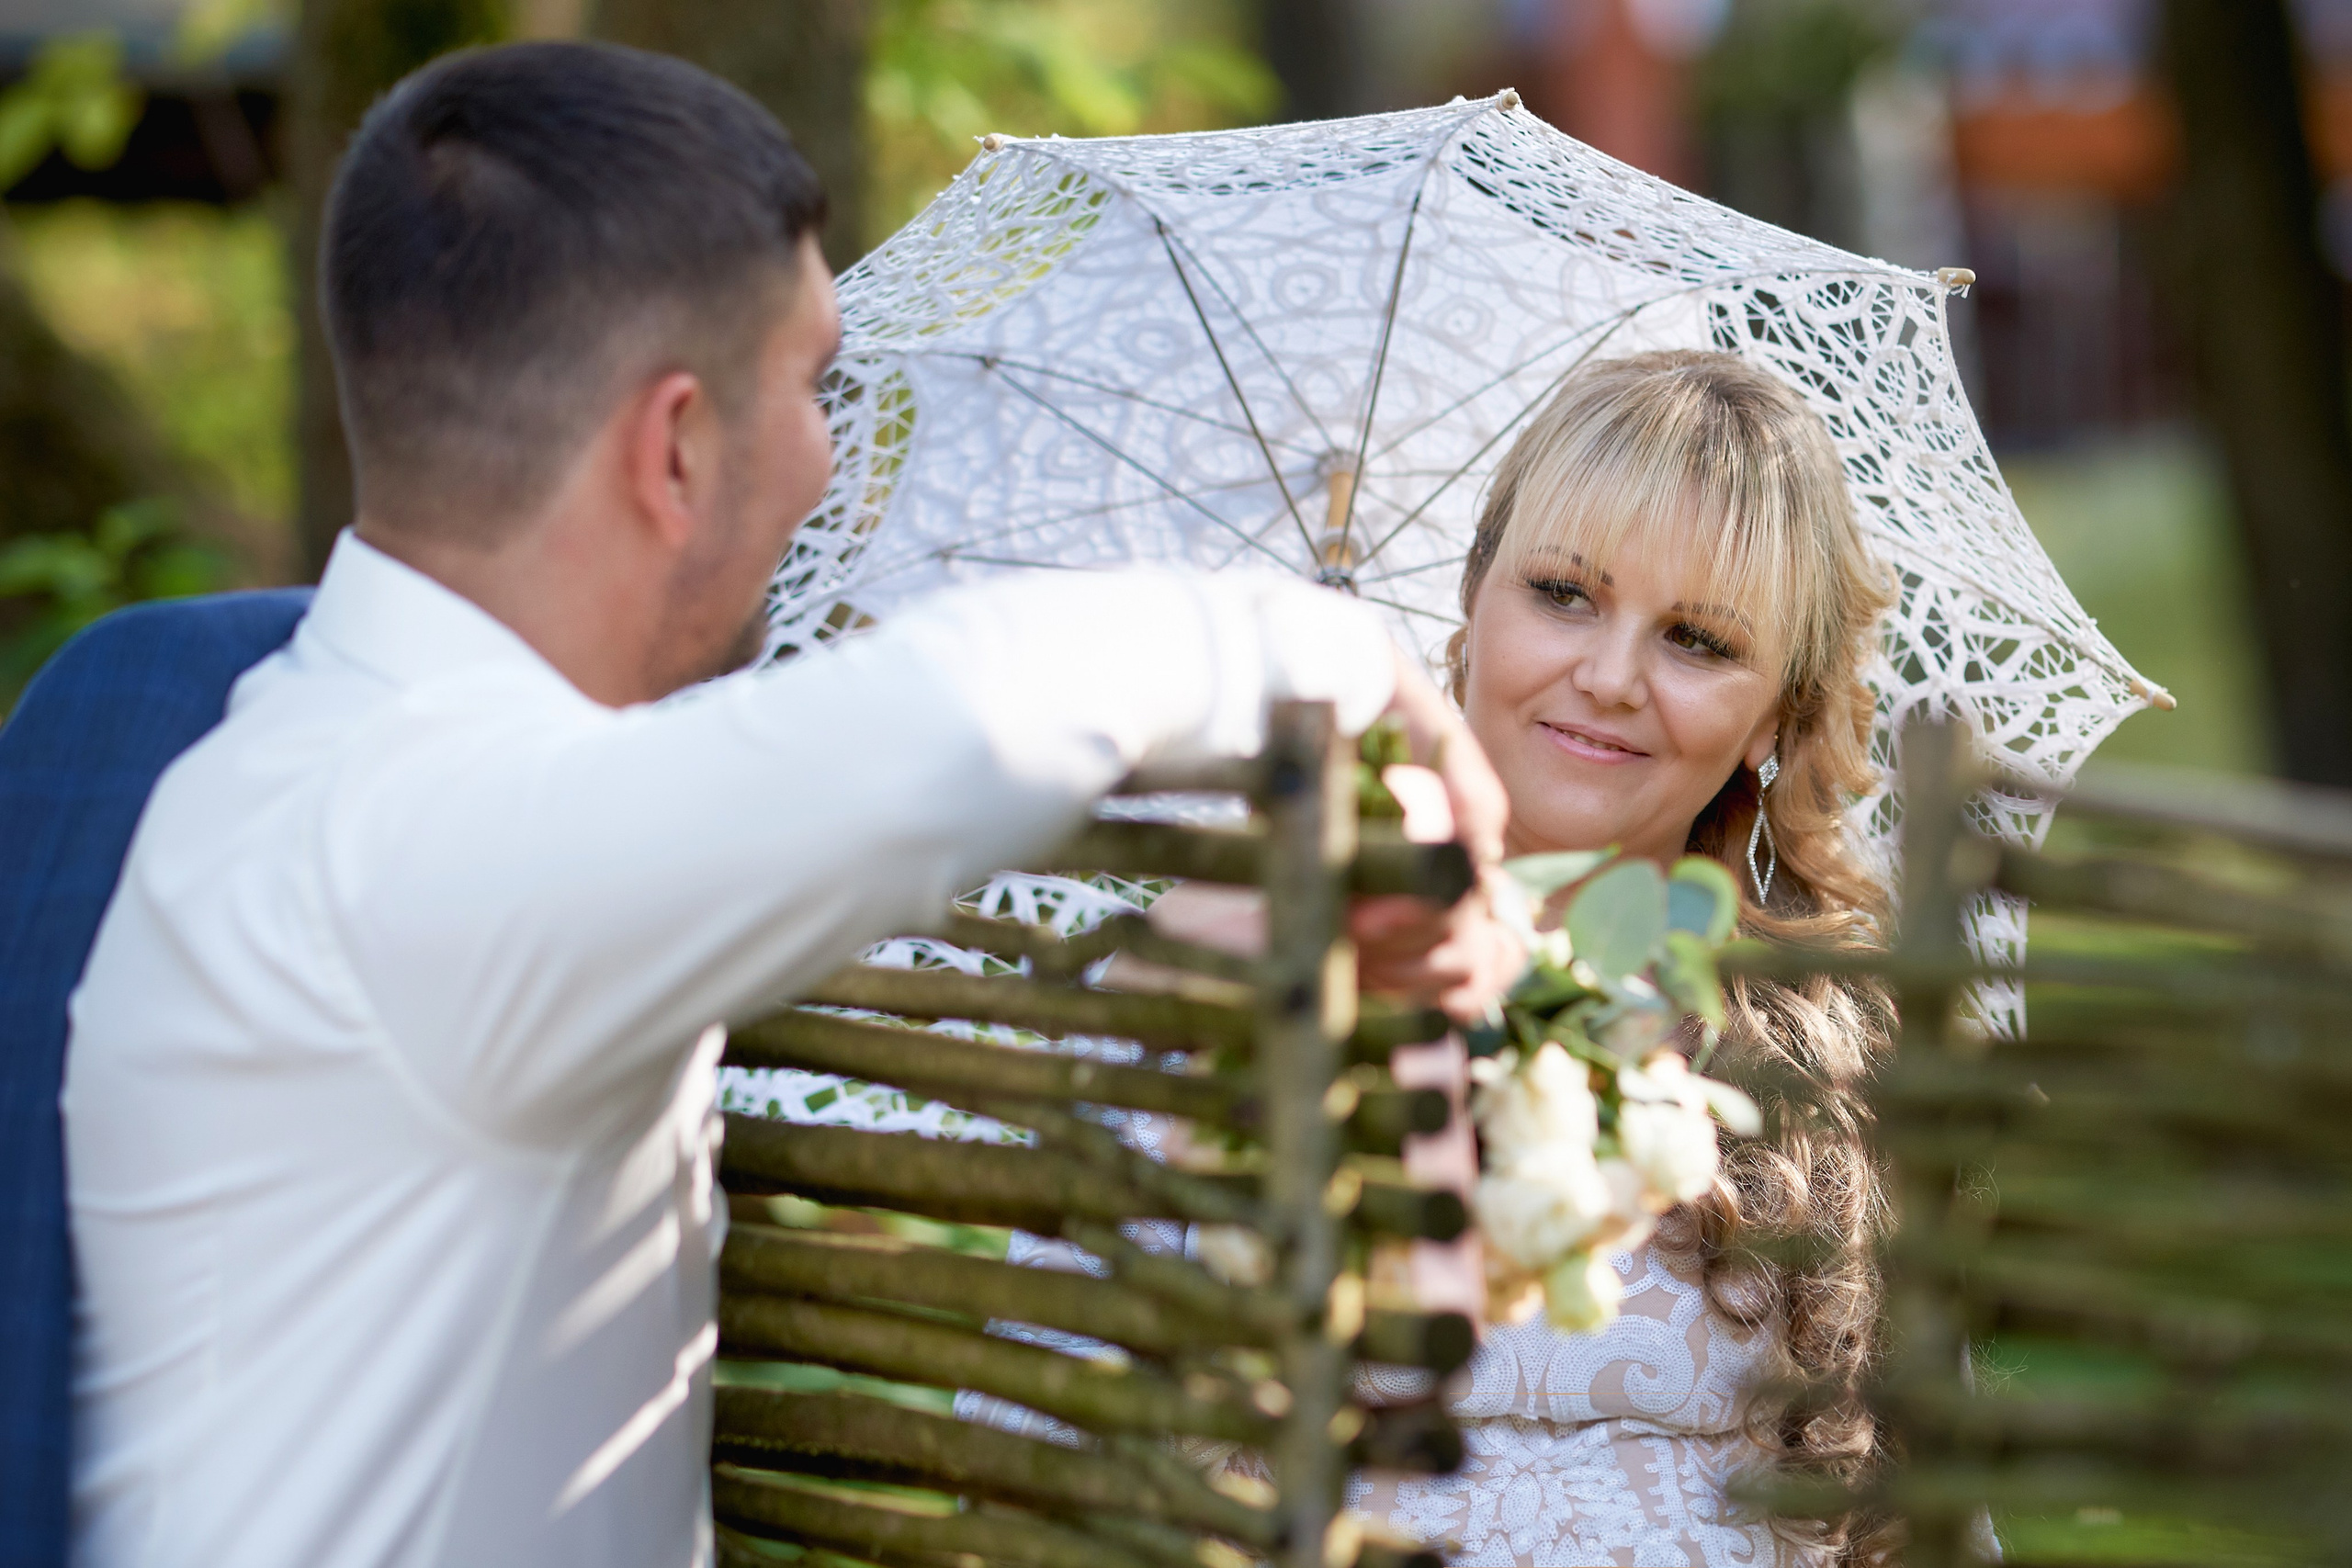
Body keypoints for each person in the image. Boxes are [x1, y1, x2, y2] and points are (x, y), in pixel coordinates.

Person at [60, 41, 1521, 1568]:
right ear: (677, 446)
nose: (838, 462)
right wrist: (1339, 652)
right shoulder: (437, 846)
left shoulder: (291, 770)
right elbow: (962, 724)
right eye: (818, 388)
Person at [1350, 350, 1899, 1567]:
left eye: (1697, 639)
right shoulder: (1283, 959)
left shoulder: (1831, 1050)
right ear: (1474, 591)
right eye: (1563, 593)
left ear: (1776, 717)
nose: (1608, 679)